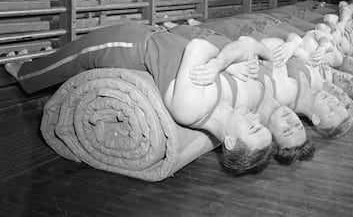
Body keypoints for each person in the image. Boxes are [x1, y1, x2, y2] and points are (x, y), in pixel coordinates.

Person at [5, 22, 277, 175]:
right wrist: (230, 63)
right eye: (261, 124)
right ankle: (36, 60)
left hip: (132, 46)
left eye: (253, 128)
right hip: (155, 35)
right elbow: (244, 46)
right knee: (71, 53)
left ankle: (24, 72)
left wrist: (221, 64)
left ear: (229, 141)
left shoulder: (192, 109)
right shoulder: (231, 104)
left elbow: (199, 47)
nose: (255, 118)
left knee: (74, 57)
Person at [172, 22, 353, 139]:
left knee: (185, 33)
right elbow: (301, 41)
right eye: (338, 103)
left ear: (315, 119)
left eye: (331, 109)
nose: (333, 99)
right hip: (245, 39)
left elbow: (262, 52)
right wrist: (293, 45)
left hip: (239, 42)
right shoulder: (312, 82)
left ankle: (176, 27)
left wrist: (291, 46)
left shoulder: (282, 95)